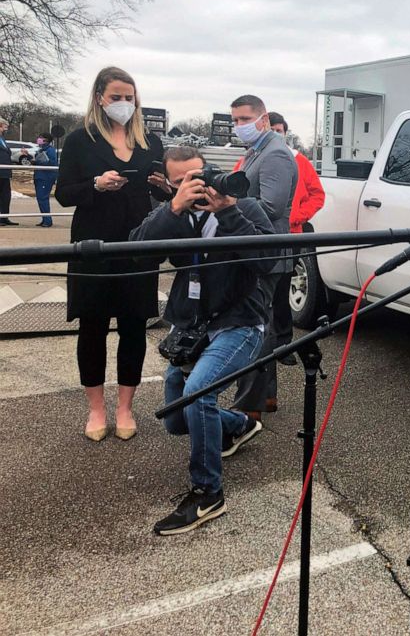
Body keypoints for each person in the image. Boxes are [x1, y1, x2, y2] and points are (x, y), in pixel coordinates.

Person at [130, 146, 274, 535]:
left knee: (196, 394)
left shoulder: (246, 208)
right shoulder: (175, 215)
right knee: (177, 420)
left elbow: (268, 261)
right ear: (171, 183)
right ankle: (239, 424)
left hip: (240, 321)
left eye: (201, 175)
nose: (198, 185)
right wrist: (172, 208)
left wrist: (227, 211)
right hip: (192, 327)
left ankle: (208, 493)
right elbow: (136, 250)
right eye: (184, 182)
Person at [55, 67, 170, 442]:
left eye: (129, 97)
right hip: (93, 245)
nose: (123, 103)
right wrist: (95, 184)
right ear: (99, 97)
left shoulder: (151, 141)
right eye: (116, 96)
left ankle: (124, 406)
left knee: (134, 326)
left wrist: (164, 187)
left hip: (138, 244)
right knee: (92, 327)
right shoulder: (79, 140)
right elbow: (64, 193)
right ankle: (96, 408)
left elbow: (167, 195)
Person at [228, 95, 297, 419]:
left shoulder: (276, 154)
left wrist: (227, 205)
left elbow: (271, 207)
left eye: (244, 119)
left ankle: (250, 405)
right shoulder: (257, 151)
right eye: (235, 120)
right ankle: (263, 396)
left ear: (264, 119)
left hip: (266, 251)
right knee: (260, 322)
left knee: (256, 325)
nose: (239, 126)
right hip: (254, 248)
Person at [259, 111, 325, 365]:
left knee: (281, 291)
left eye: (280, 129)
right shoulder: (252, 158)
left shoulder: (299, 161)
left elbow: (317, 195)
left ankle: (283, 345)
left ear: (285, 131)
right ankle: (258, 343)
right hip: (258, 236)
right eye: (271, 129)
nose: (276, 133)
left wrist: (296, 216)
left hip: (289, 236)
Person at [32, 132, 58, 227]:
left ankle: (47, 220)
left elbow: (52, 163)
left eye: (41, 138)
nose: (39, 139)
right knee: (40, 199)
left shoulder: (50, 150)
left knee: (43, 198)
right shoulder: (41, 150)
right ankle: (44, 219)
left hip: (46, 177)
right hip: (39, 176)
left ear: (46, 140)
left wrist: (38, 161)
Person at [0, 117, 15, 226]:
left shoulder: (2, 139)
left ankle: (5, 217)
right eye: (4, 126)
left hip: (5, 172)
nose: (6, 129)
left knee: (6, 196)